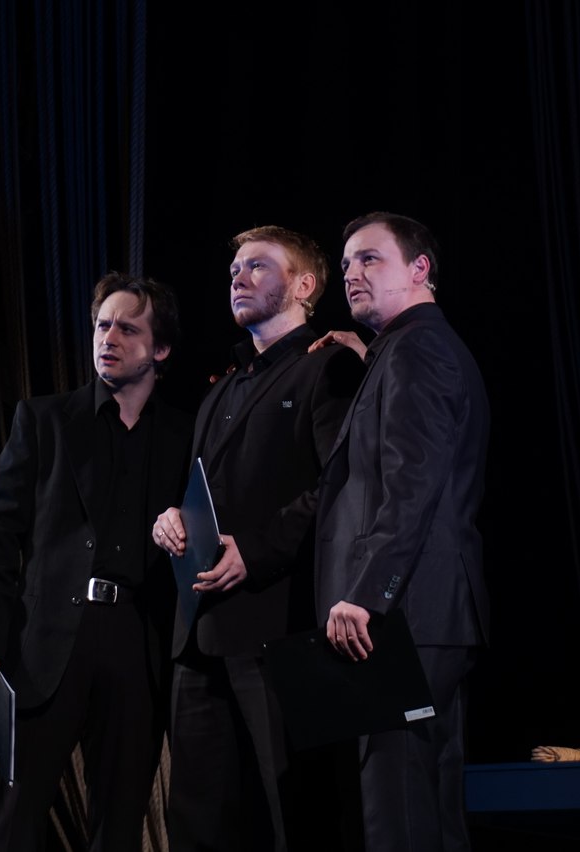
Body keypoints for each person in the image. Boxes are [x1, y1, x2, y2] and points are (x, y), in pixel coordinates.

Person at [0, 272, 193, 852]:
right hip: (47, 638)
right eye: (102, 325)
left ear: (161, 349)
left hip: (137, 639)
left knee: (119, 822)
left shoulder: (185, 435)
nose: (108, 338)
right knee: (13, 817)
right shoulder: (44, 420)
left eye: (128, 329)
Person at [151, 225, 366, 852]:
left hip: (280, 628)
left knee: (289, 815)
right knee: (197, 820)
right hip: (200, 633)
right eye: (234, 270)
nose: (238, 278)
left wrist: (257, 549)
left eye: (258, 267)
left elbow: (339, 484)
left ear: (304, 286)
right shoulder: (222, 388)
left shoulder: (328, 366)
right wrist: (173, 519)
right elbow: (205, 492)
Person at [311, 212, 491, 852]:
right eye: (346, 263)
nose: (351, 274)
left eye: (370, 258)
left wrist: (367, 593)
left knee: (400, 806)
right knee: (424, 802)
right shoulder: (407, 349)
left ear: (420, 268)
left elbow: (413, 485)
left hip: (406, 612)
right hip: (423, 612)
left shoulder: (418, 349)